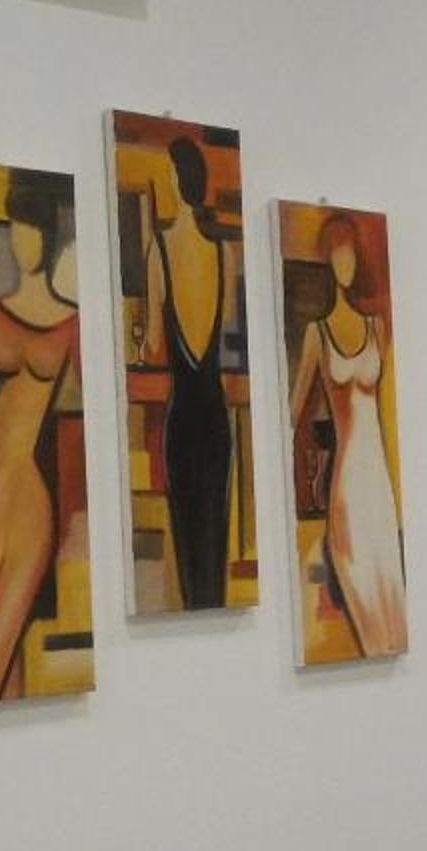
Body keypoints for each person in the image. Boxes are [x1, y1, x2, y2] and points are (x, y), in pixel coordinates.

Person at [0, 171, 80, 705]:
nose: (19, 241)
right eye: (13, 228)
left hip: (31, 498)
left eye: (29, 229)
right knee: (2, 665)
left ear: (48, 236)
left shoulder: (73, 323)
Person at [286, 213, 408, 656]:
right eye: (338, 255)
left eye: (351, 255)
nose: (346, 264)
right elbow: (291, 414)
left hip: (380, 485)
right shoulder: (316, 334)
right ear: (327, 260)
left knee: (394, 602)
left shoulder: (377, 327)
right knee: (364, 599)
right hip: (346, 488)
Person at [144, 137, 237, 610]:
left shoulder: (159, 249)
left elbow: (153, 345)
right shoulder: (224, 254)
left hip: (182, 417)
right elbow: (228, 328)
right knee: (214, 533)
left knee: (188, 538)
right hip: (216, 415)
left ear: (176, 180)